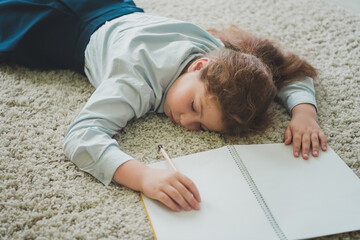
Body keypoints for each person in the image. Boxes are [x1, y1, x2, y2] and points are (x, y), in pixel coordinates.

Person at [0, 0, 327, 212]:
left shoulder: (220, 54)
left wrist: (304, 114)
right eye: (194, 107)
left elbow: (283, 71)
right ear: (199, 67)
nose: (185, 122)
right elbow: (82, 137)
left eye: (199, 127)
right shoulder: (135, 80)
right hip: (58, 25)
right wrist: (144, 177)